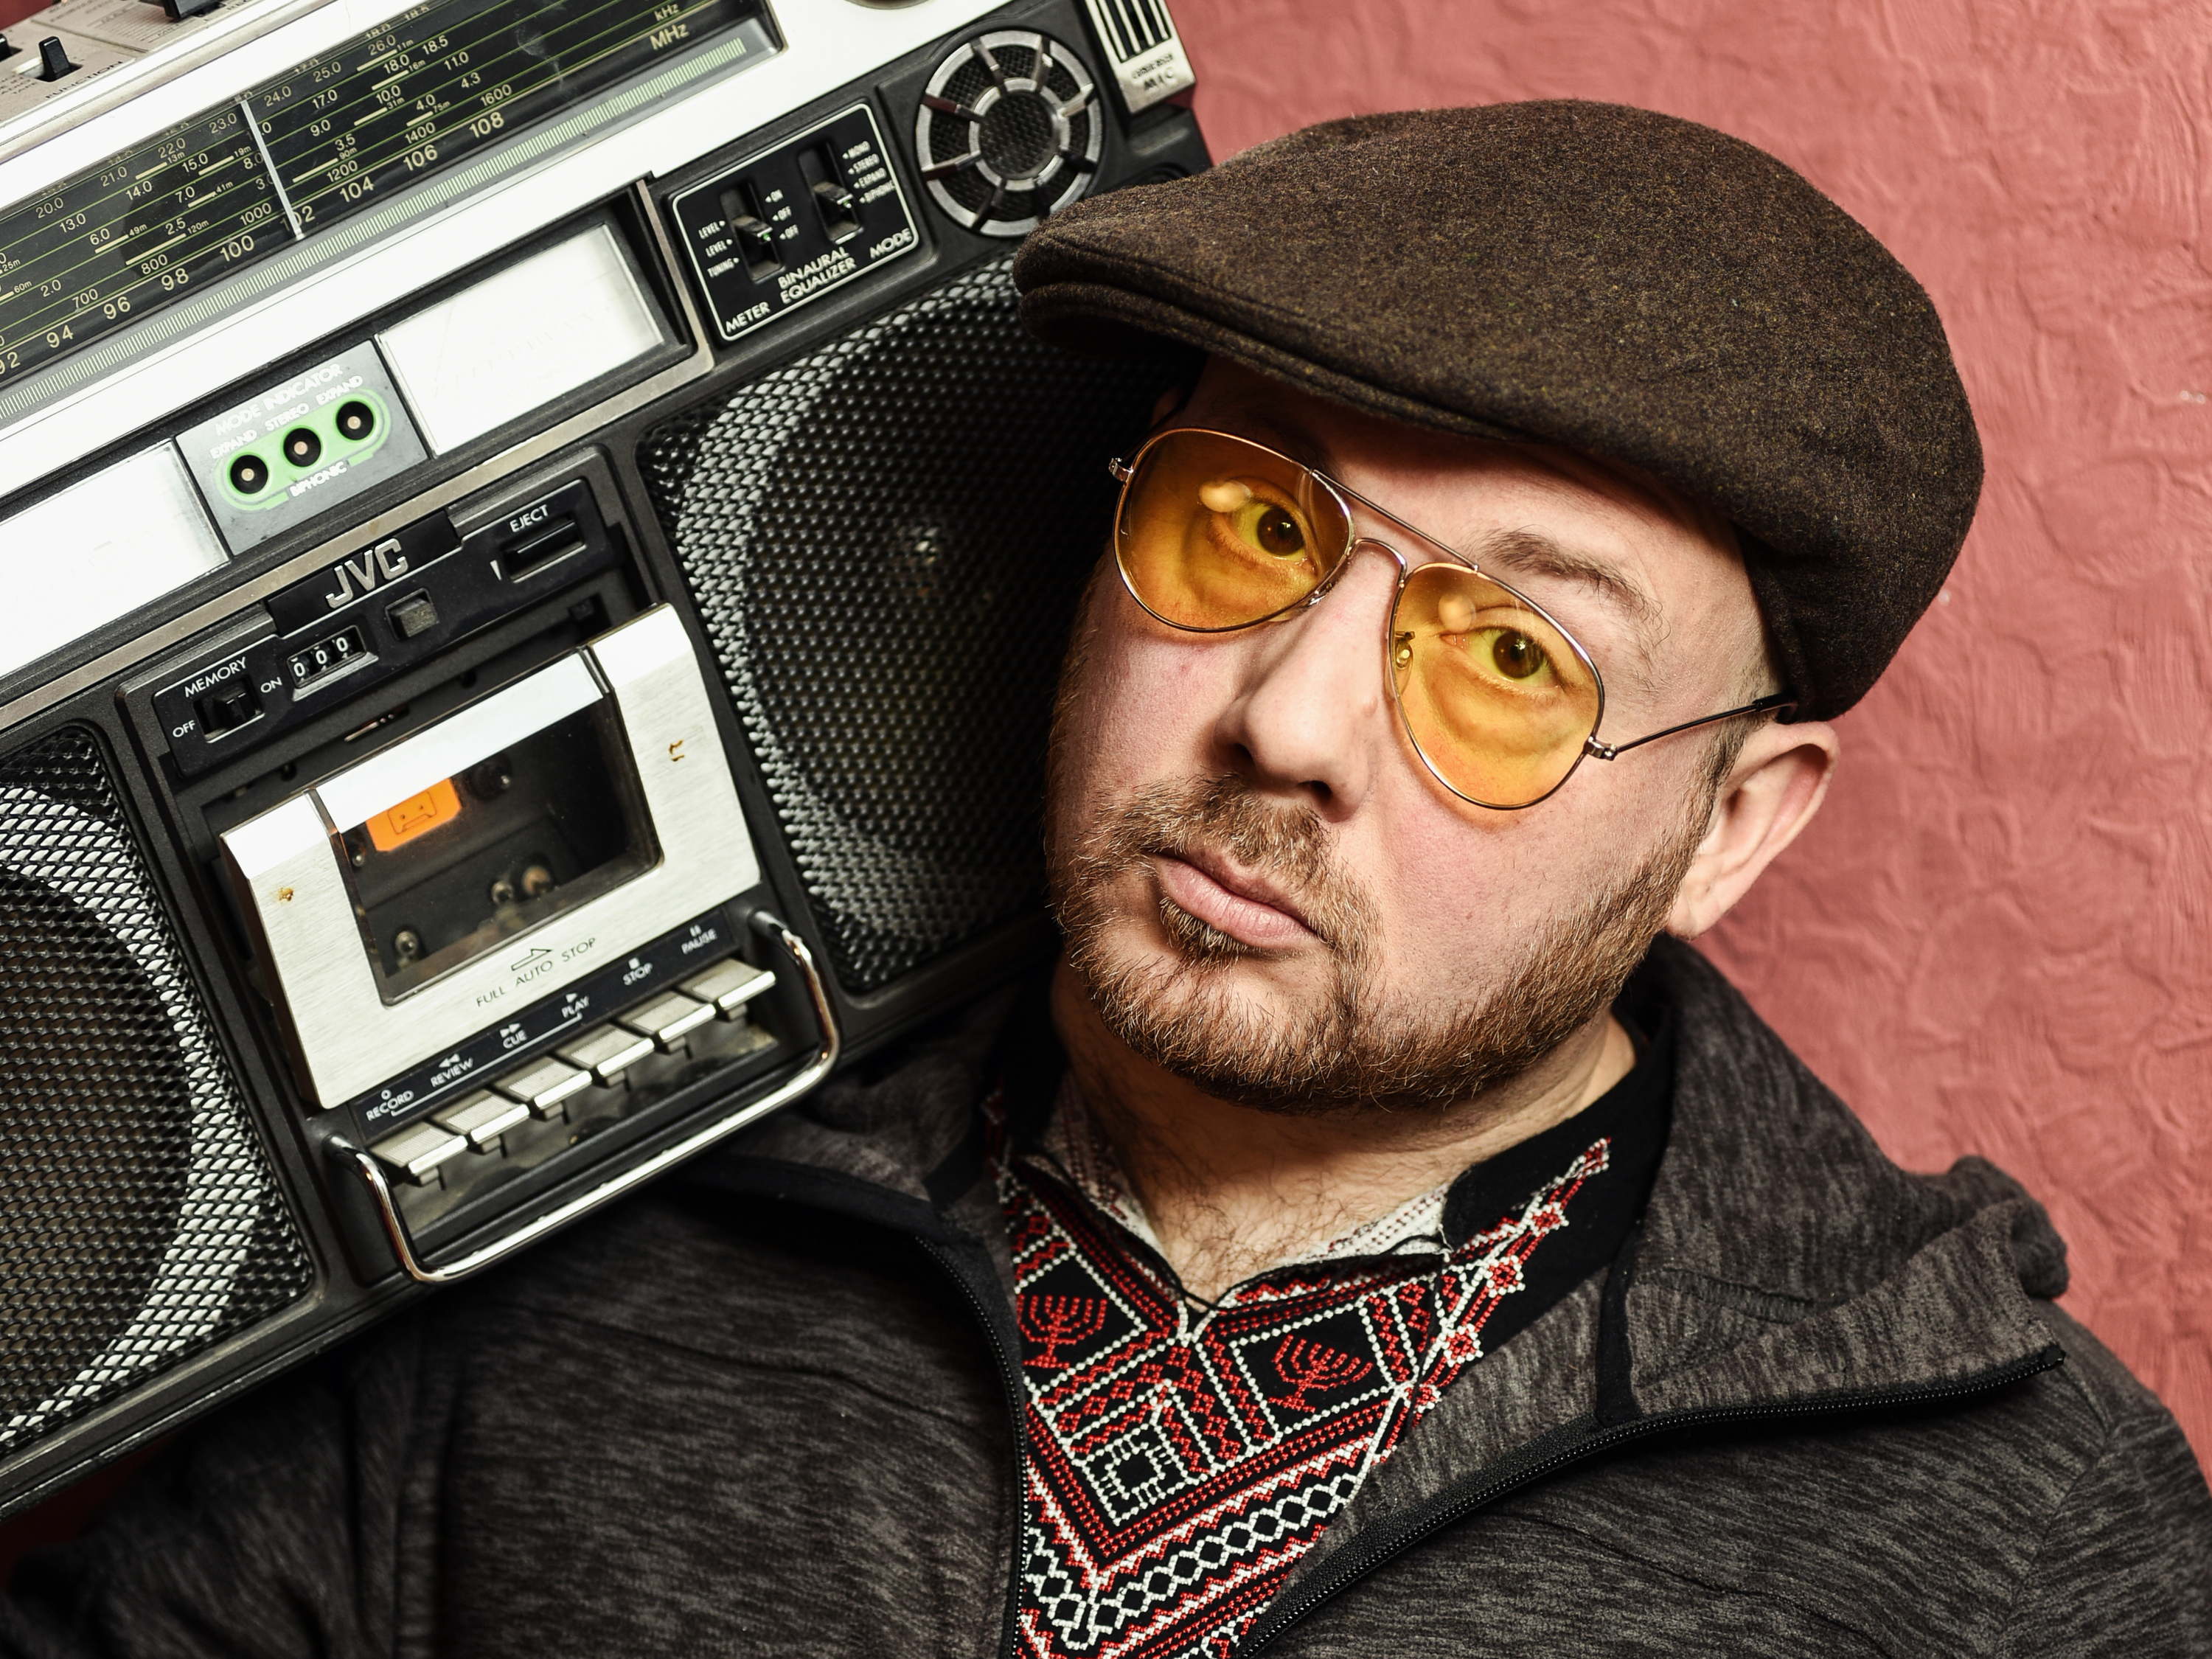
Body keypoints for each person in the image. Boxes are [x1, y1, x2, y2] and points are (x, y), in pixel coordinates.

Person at [4, 100, 2207, 1658]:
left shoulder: (2023, 1544)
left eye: (1512, 660)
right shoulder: (576, 1243)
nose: (1286, 723)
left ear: (1735, 822)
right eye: (1250, 529)